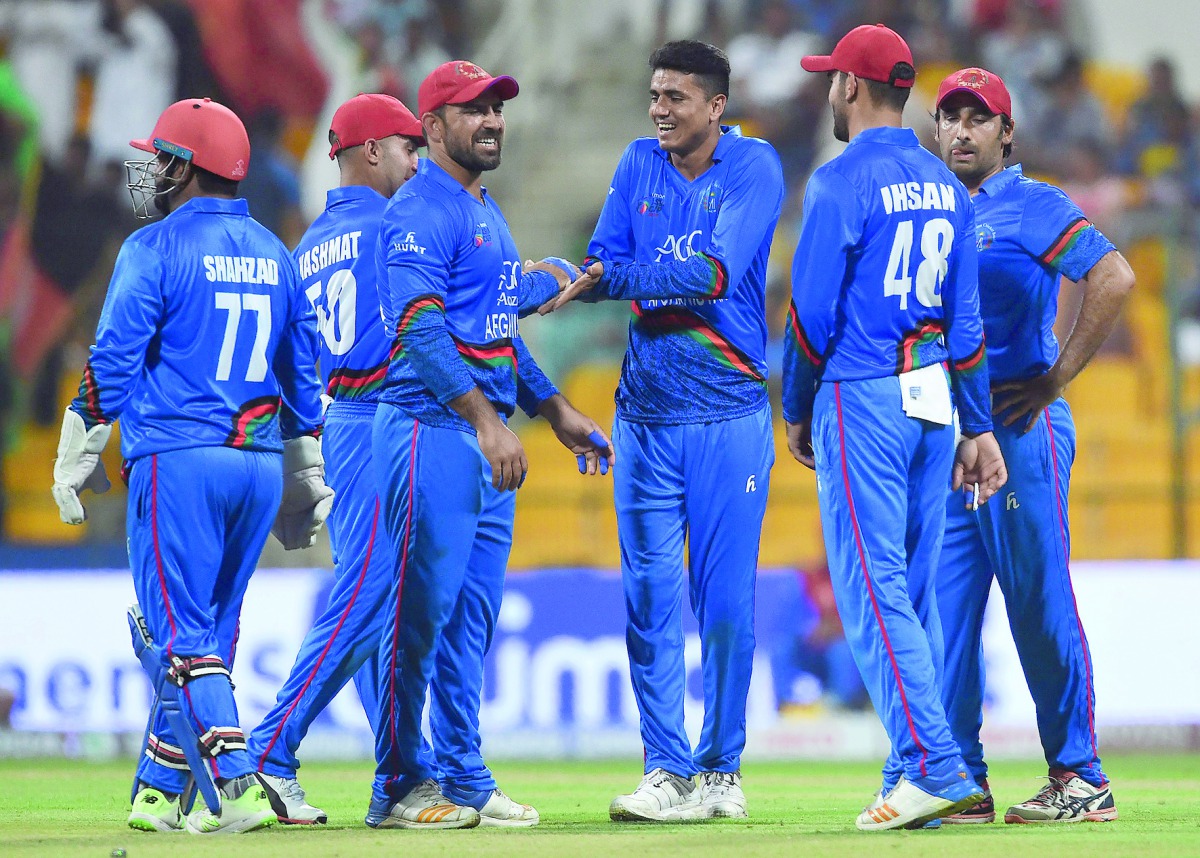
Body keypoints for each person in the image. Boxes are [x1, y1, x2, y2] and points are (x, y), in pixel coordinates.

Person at [50, 97, 331, 834]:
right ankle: (156, 790)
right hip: (257, 464)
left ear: (187, 167)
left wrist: (79, 443)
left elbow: (112, 359)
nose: (152, 170)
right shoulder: (277, 252)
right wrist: (305, 473)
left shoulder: (152, 247)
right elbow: (304, 375)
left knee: (179, 636)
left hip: (177, 459)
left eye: (162, 157)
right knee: (212, 633)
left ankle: (235, 786)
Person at [367, 59, 614, 830]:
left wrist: (550, 406)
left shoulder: (484, 208)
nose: (494, 120)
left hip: (480, 438)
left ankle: (463, 776)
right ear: (432, 128)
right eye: (474, 109)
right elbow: (417, 327)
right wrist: (485, 420)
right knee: (420, 616)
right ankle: (400, 786)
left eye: (498, 107)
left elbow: (495, 329)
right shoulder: (419, 210)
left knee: (469, 619)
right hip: (429, 432)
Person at [546, 39, 785, 822]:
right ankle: (666, 770)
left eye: (675, 98)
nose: (658, 110)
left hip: (728, 414)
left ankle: (721, 769)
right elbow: (602, 255)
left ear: (716, 106)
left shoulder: (755, 169)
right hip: (644, 414)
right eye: (654, 96)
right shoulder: (636, 164)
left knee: (722, 601)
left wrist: (609, 280)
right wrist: (588, 274)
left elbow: (713, 274)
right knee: (648, 598)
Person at [783, 25, 1007, 830]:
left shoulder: (841, 179)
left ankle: (936, 767)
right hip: (934, 395)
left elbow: (812, 314)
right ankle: (919, 768)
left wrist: (796, 404)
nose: (828, 91)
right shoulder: (946, 183)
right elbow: (968, 320)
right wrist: (976, 425)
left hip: (862, 389)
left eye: (832, 80)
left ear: (850, 87)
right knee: (916, 593)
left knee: (872, 590)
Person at [932, 66, 1133, 825]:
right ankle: (961, 781)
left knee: (1037, 601)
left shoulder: (1031, 203)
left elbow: (1112, 277)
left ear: (1005, 132)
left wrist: (1053, 381)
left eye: (977, 118)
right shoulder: (933, 210)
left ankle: (1081, 777)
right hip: (951, 438)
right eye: (949, 116)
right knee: (945, 615)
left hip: (1019, 425)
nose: (961, 130)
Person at [246, 93, 424, 825]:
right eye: (411, 147)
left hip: (327, 425)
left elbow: (285, 361)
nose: (420, 162)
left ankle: (399, 779)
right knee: (370, 592)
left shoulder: (306, 243)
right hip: (381, 412)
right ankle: (272, 746)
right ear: (374, 151)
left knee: (376, 604)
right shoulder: (398, 227)